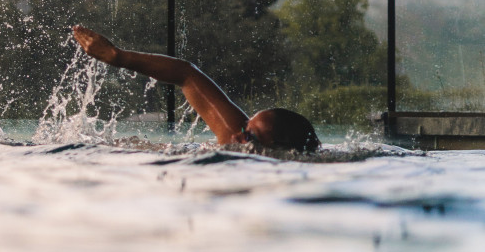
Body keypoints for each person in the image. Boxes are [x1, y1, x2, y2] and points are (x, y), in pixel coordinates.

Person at [72, 25, 320, 153]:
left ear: (284, 152)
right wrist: (119, 57)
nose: (236, 135)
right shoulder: (236, 140)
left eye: (250, 137)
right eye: (245, 127)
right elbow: (187, 74)